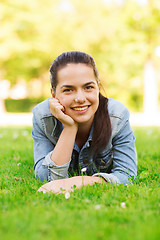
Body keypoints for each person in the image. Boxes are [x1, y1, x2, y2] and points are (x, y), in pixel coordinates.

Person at [32, 51, 137, 193]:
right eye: (68, 90)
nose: (80, 98)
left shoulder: (116, 116)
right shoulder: (43, 117)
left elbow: (127, 174)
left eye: (88, 87)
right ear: (53, 94)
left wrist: (82, 181)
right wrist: (69, 127)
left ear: (98, 88)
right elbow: (45, 177)